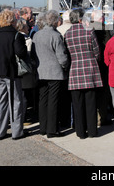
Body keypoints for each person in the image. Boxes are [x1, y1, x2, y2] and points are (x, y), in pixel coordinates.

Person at [0, 9, 28, 140]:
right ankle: (16, 131)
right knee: (15, 102)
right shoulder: (17, 35)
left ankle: (0, 131)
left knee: (0, 102)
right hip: (12, 73)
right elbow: (21, 53)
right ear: (12, 21)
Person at [64, 8, 102, 139]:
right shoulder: (89, 31)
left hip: (75, 70)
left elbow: (67, 53)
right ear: (81, 19)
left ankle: (80, 132)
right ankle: (92, 131)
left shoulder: (67, 34)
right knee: (91, 103)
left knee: (77, 104)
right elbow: (97, 51)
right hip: (90, 69)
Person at [33, 10, 70, 138]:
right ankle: (52, 129)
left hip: (41, 70)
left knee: (43, 100)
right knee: (53, 101)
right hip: (54, 72)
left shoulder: (37, 35)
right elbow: (62, 56)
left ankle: (43, 127)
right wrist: (65, 66)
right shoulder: (56, 35)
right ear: (55, 22)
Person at [89, 9, 112, 127]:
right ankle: (102, 117)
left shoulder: (87, 28)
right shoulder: (105, 29)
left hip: (91, 65)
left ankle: (93, 117)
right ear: (101, 18)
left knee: (92, 93)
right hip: (103, 65)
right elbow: (109, 45)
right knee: (103, 93)